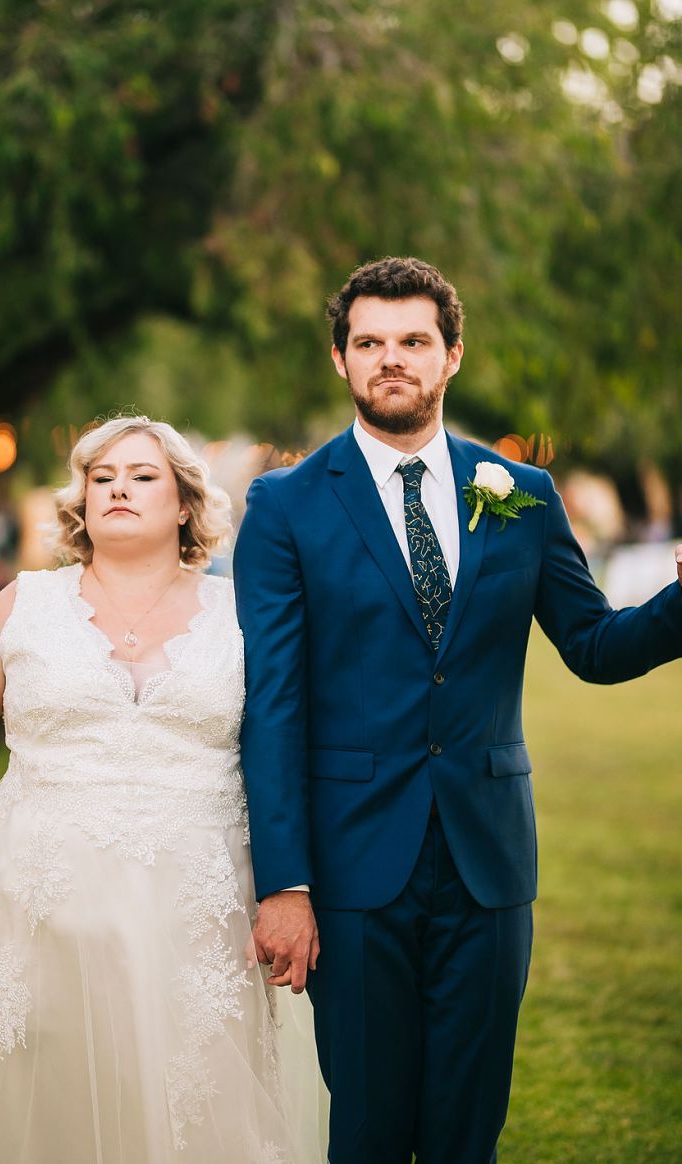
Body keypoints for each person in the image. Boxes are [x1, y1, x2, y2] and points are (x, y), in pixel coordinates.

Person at [233, 256, 682, 1164]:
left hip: (489, 860)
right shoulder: (284, 506)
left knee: (467, 1130)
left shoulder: (523, 496)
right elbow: (272, 703)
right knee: (368, 1128)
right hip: (352, 868)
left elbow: (594, 646)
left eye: (413, 341)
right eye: (369, 343)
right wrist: (284, 884)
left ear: (452, 356)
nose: (391, 359)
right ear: (340, 359)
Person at [0, 415, 324, 1164]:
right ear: (82, 501)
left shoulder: (241, 614)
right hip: (48, 906)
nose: (118, 489)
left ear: (185, 504)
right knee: (58, 1101)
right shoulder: (26, 603)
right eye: (102, 478)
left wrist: (291, 888)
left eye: (142, 476)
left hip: (199, 910)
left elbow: (288, 749)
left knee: (195, 1105)